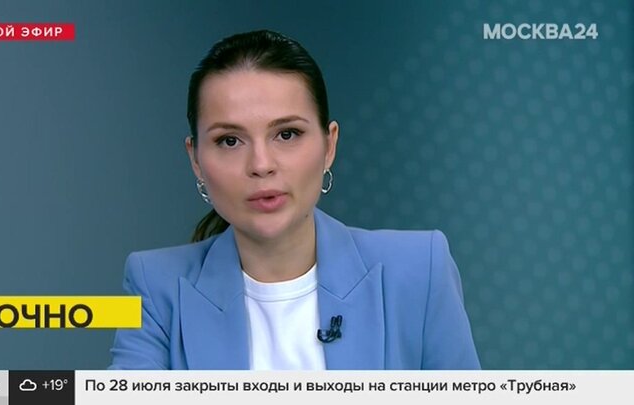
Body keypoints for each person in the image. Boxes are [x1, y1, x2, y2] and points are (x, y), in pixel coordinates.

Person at [109, 29, 480, 370]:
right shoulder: (153, 284)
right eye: (229, 141)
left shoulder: (421, 268)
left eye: (287, 134)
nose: (261, 165)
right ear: (196, 159)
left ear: (329, 145)